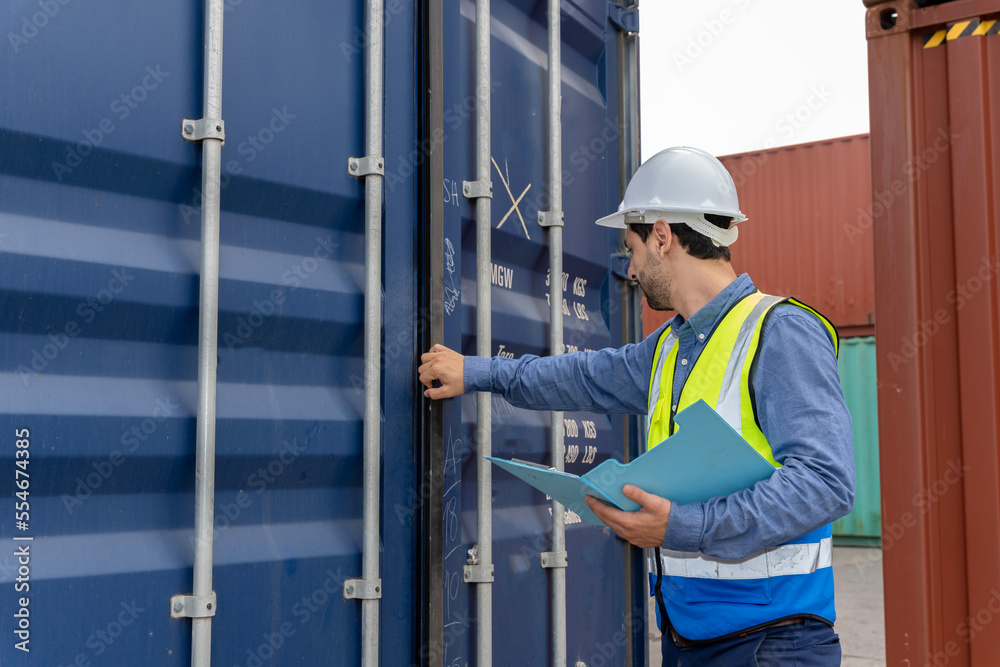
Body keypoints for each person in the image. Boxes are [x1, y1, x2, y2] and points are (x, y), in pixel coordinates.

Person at [418, 146, 855, 666]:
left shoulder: (781, 331)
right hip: (688, 638)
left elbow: (826, 481)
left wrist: (680, 527)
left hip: (774, 644)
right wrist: (476, 373)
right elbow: (580, 377)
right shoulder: (670, 347)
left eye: (632, 248)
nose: (630, 269)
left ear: (663, 235)